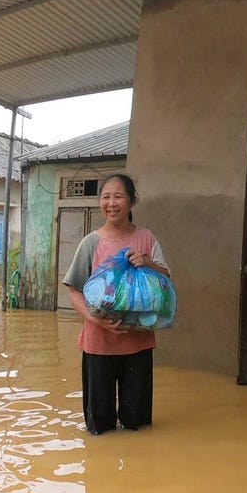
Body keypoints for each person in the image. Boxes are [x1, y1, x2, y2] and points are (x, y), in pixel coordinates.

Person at [62, 173, 171, 435]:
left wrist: (148, 263)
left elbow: (165, 281)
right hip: (98, 343)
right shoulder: (91, 243)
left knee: (138, 424)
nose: (111, 203)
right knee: (99, 425)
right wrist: (95, 319)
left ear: (132, 200)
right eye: (106, 197)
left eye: (118, 196)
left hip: (139, 343)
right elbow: (74, 290)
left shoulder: (146, 238)